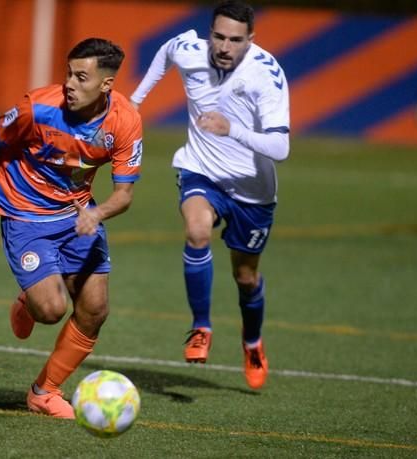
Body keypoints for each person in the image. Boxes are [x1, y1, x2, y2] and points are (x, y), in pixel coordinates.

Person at [0, 38, 143, 418]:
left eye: (81, 77)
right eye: (68, 74)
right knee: (51, 310)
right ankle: (31, 302)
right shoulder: (39, 106)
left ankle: (44, 392)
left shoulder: (125, 122)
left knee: (94, 309)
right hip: (25, 215)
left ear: (106, 85)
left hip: (77, 216)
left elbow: (124, 195)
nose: (69, 84)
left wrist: (96, 215)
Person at [130, 0, 289, 390]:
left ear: (251, 40)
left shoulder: (265, 76)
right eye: (218, 36)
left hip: (253, 190)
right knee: (197, 232)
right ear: (210, 32)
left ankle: (252, 342)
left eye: (235, 40)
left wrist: (231, 128)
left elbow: (280, 149)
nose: (224, 46)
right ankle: (201, 327)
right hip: (201, 170)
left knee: (245, 276)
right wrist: (134, 104)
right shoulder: (191, 50)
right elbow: (168, 51)